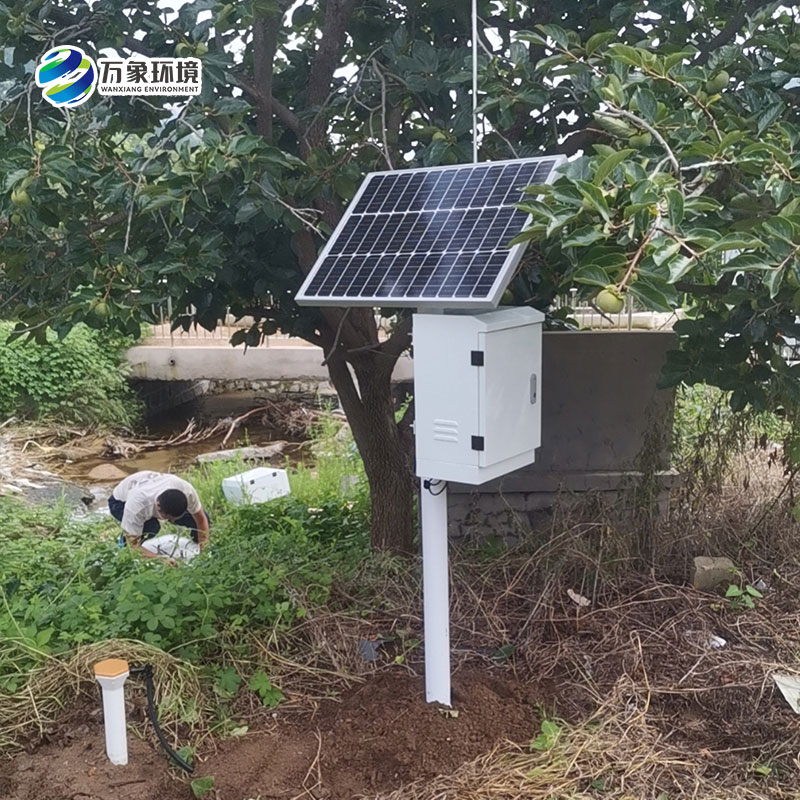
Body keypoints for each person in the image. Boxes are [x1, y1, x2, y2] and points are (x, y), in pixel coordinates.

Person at [108, 471, 210, 563]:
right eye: (169, 519)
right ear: (158, 507)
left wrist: (203, 551)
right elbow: (133, 546)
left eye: (174, 519)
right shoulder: (137, 506)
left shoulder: (187, 491)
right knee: (152, 527)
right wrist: (160, 560)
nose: (171, 522)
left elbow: (201, 520)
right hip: (119, 501)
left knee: (199, 519)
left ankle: (196, 546)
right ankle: (124, 543)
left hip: (151, 488)